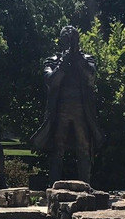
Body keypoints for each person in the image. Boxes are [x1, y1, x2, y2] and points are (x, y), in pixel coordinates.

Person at [30, 25, 103, 184]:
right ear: (61, 41)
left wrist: (76, 56)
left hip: (82, 111)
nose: (69, 42)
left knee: (84, 149)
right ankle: (53, 187)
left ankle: (86, 187)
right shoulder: (52, 61)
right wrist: (65, 60)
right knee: (57, 150)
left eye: (72, 40)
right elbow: (51, 81)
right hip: (60, 111)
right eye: (66, 39)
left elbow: (91, 77)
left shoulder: (87, 59)